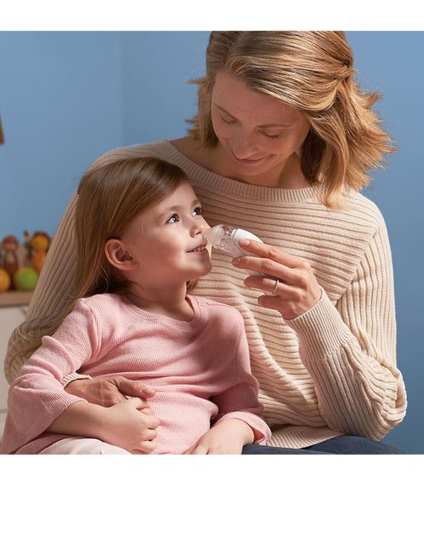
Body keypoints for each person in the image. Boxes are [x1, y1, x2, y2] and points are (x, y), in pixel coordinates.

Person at [5, 31, 407, 454]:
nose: (243, 147)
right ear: (209, 89)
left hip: (278, 441)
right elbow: (31, 352)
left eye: (271, 131)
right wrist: (84, 395)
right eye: (227, 117)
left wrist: (315, 315)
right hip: (142, 439)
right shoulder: (131, 181)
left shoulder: (357, 224)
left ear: (321, 116)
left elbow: (372, 422)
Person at [1, 156, 272, 454]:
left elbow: (245, 409)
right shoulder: (100, 314)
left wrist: (233, 429)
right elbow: (28, 386)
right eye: (173, 218)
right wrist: (102, 423)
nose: (200, 227)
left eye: (197, 210)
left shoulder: (224, 323)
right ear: (123, 255)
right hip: (92, 449)